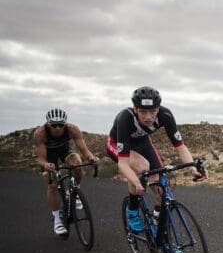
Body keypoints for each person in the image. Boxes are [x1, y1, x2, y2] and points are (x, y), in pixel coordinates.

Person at [107, 86, 207, 241]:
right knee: (142, 167)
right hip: (118, 145)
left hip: (143, 143)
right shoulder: (124, 118)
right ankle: (132, 209)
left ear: (158, 109)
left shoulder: (165, 115)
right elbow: (123, 164)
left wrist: (193, 168)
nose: (148, 117)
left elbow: (180, 146)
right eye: (143, 112)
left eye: (153, 111)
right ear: (135, 109)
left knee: (160, 185)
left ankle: (157, 220)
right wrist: (137, 182)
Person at [34, 108, 100, 236]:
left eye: (61, 125)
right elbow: (40, 158)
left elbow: (84, 150)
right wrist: (45, 164)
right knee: (52, 185)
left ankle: (75, 190)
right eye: (54, 125)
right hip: (48, 156)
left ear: (65, 124)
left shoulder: (72, 129)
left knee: (77, 165)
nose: (57, 128)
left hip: (64, 150)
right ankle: (57, 220)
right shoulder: (40, 134)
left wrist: (91, 158)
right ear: (48, 124)